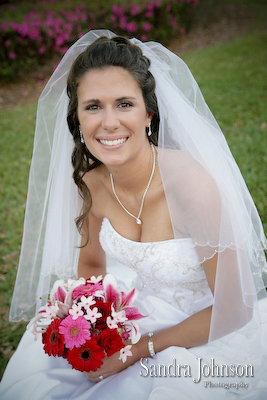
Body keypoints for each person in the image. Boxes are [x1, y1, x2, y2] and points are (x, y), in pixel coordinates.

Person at [0, 29, 267, 399]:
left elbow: (235, 309)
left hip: (208, 331)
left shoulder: (192, 186)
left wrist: (136, 350)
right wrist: (90, 324)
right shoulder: (91, 184)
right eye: (93, 106)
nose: (109, 123)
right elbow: (92, 268)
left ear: (148, 115)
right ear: (77, 120)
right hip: (138, 312)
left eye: (124, 104)